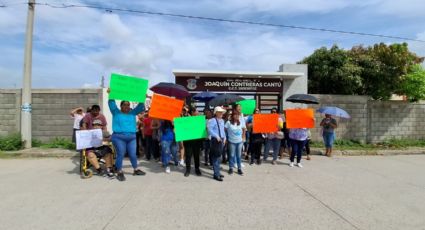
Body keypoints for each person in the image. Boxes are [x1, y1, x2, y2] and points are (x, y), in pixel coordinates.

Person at [107, 89, 146, 181]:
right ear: (120, 106)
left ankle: (135, 169)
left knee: (133, 154)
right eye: (124, 104)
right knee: (121, 153)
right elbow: (111, 103)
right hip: (118, 137)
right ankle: (119, 171)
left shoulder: (133, 113)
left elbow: (140, 106)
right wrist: (111, 94)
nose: (127, 106)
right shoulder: (116, 112)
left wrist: (142, 97)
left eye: (128, 104)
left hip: (132, 137)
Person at [80, 105, 114, 178]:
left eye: (97, 111)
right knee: (90, 154)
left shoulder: (102, 117)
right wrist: (85, 133)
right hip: (90, 142)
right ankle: (99, 169)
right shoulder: (87, 116)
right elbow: (84, 124)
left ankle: (109, 169)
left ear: (99, 110)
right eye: (94, 111)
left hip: (101, 143)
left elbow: (105, 127)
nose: (95, 112)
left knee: (108, 151)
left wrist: (105, 135)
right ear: (91, 110)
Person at [207, 106, 227, 182]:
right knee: (215, 157)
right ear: (216, 113)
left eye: (222, 112)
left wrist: (224, 138)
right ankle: (216, 174)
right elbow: (209, 130)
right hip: (215, 140)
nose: (221, 113)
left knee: (219, 157)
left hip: (221, 140)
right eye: (220, 112)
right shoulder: (212, 120)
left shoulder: (222, 120)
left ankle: (218, 171)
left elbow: (223, 130)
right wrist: (216, 136)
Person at [183, 108, 203, 177]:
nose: (198, 113)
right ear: (192, 112)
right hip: (188, 142)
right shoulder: (186, 119)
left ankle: (197, 169)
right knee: (188, 156)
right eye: (196, 111)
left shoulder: (200, 120)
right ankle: (188, 170)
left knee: (196, 156)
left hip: (197, 142)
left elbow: (202, 131)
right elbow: (182, 128)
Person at [225, 111, 245, 175]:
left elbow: (244, 129)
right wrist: (226, 138)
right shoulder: (228, 123)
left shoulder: (241, 122)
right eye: (235, 115)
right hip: (231, 142)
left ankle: (239, 169)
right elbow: (224, 130)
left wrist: (243, 137)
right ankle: (230, 168)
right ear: (232, 116)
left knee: (239, 156)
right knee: (232, 155)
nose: (237, 116)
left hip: (240, 142)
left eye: (238, 115)